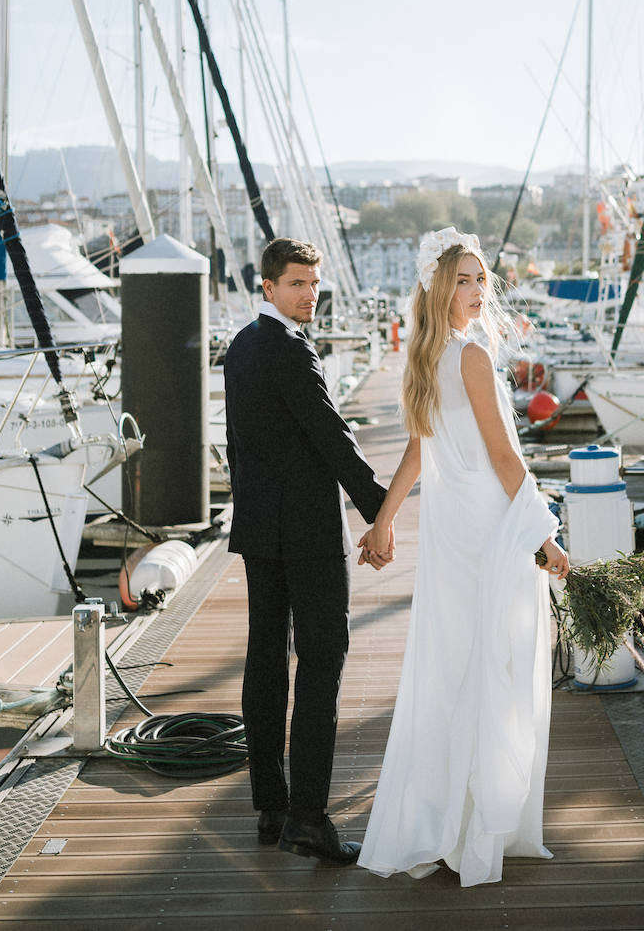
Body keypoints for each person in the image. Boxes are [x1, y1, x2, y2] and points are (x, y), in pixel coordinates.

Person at [356, 227, 569, 887]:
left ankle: (455, 818)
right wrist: (544, 537)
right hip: (484, 527)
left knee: (459, 664)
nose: (477, 291)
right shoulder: (470, 356)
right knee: (491, 664)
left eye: (482, 279)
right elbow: (504, 459)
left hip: (453, 529)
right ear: (439, 287)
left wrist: (382, 523)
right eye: (465, 280)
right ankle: (472, 826)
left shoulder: (427, 357)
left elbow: (419, 453)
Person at [224, 237, 391, 864]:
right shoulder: (289, 349)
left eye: (314, 284)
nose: (309, 294)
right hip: (309, 535)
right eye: (297, 284)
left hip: (261, 529)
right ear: (267, 286)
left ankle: (270, 804)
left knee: (265, 663)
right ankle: (309, 818)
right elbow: (332, 436)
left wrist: (250, 509)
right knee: (322, 663)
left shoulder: (240, 347)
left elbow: (240, 446)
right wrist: (382, 512)